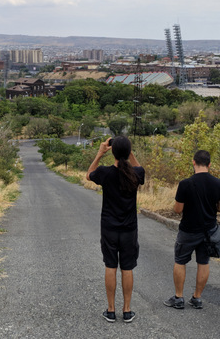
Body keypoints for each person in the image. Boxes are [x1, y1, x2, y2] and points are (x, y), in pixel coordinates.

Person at [87, 136, 145, 323]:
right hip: (129, 229)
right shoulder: (136, 173)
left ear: (112, 151)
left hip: (109, 228)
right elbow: (139, 168)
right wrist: (129, 152)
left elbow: (89, 175)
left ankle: (111, 310)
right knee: (127, 268)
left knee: (110, 266)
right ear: (128, 153)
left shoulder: (105, 173)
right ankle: (127, 310)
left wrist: (99, 153)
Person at [164, 149, 220, 310]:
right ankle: (197, 298)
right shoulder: (218, 183)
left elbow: (178, 210)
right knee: (203, 262)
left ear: (193, 162)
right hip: (209, 231)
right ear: (209, 164)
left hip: (188, 230)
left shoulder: (185, 183)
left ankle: (178, 298)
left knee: (180, 261)